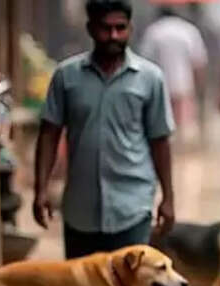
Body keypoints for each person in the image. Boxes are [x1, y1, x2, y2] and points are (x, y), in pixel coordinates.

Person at [33, 0, 175, 259]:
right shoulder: (66, 76)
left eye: (120, 28)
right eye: (105, 28)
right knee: (82, 284)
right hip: (81, 212)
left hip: (132, 208)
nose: (113, 36)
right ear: (90, 28)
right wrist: (41, 189)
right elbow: (49, 134)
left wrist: (168, 198)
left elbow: (160, 141)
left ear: (130, 28)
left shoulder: (150, 78)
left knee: (129, 283)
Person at [138, 7, 208, 139]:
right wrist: (200, 84)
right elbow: (199, 61)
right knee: (182, 123)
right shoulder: (188, 30)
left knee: (162, 124)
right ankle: (180, 146)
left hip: (159, 85)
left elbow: (144, 60)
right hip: (183, 84)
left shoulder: (153, 31)